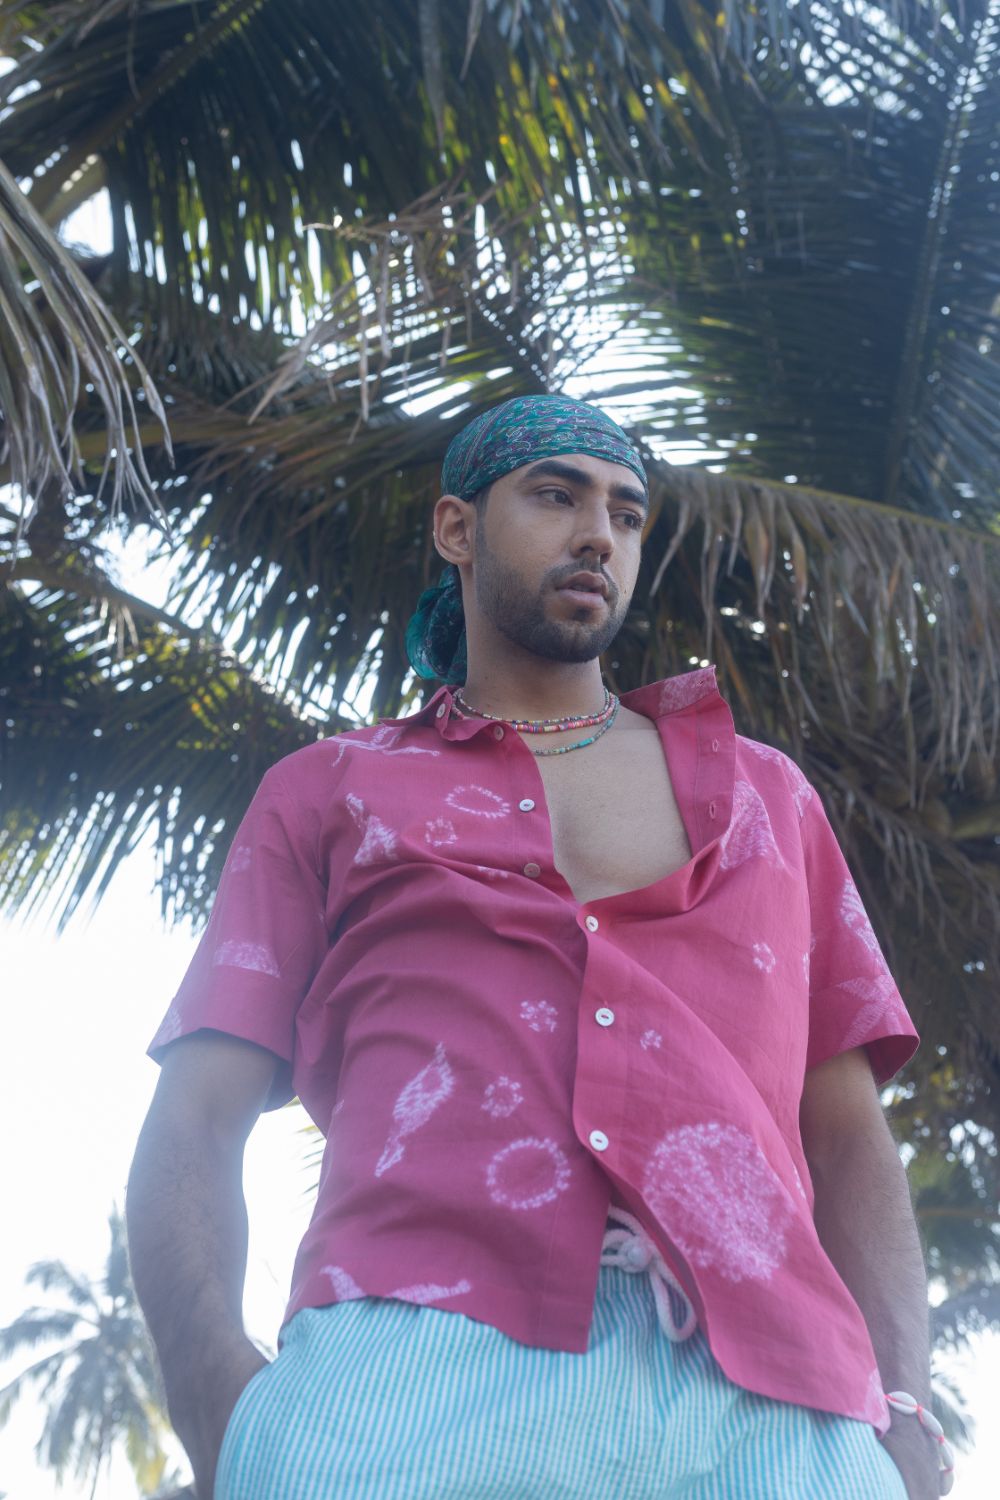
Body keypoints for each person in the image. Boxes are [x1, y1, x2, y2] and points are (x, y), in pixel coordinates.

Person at [126, 395, 947, 1500]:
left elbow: (846, 1135)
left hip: (774, 1406)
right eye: (555, 496)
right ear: (456, 529)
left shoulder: (769, 799)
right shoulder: (331, 792)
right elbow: (195, 1112)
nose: (597, 534)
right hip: (403, 1380)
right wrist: (213, 1395)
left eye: (627, 513)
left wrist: (902, 1409)